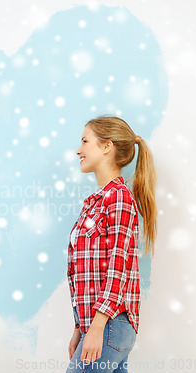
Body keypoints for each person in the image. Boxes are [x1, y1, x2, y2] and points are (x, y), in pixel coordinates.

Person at [65, 116, 157, 373]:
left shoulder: (118, 199)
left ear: (107, 146)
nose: (78, 150)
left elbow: (118, 269)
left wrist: (96, 330)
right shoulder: (96, 203)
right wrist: (79, 329)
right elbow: (85, 274)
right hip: (101, 326)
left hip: (109, 324)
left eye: (85, 141)